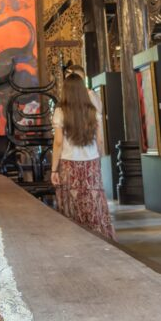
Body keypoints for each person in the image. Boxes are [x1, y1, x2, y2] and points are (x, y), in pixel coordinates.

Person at [51, 73, 116, 240]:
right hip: (91, 163)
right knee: (94, 201)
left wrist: (53, 169)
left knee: (72, 202)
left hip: (68, 164)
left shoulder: (60, 111)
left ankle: (74, 238)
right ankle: (100, 237)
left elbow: (58, 142)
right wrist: (97, 158)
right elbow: (100, 140)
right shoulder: (92, 111)